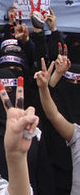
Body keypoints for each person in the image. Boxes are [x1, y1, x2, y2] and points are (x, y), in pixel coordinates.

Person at [35, 57, 80, 195]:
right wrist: (44, 87)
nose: (74, 85)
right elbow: (52, 114)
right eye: (70, 81)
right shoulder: (77, 135)